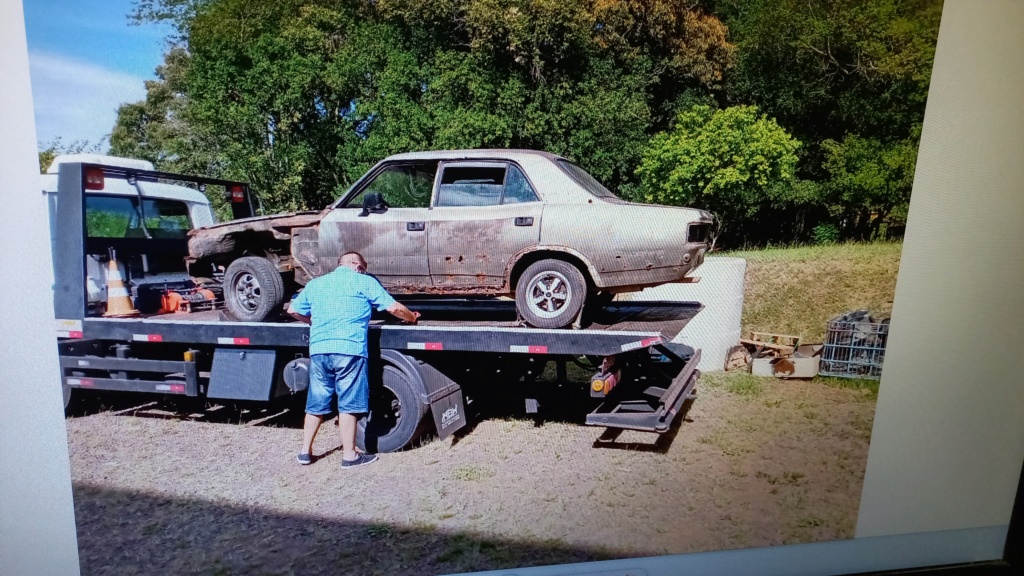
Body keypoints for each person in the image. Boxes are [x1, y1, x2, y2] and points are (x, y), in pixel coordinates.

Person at [287, 251, 420, 468]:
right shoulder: (363, 281)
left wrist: (312, 321)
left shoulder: (316, 284)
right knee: (348, 402)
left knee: (316, 402)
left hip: (320, 350)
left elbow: (293, 309)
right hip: (349, 350)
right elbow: (394, 308)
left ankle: (304, 453)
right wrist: (412, 317)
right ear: (357, 266)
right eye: (364, 268)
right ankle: (350, 456)